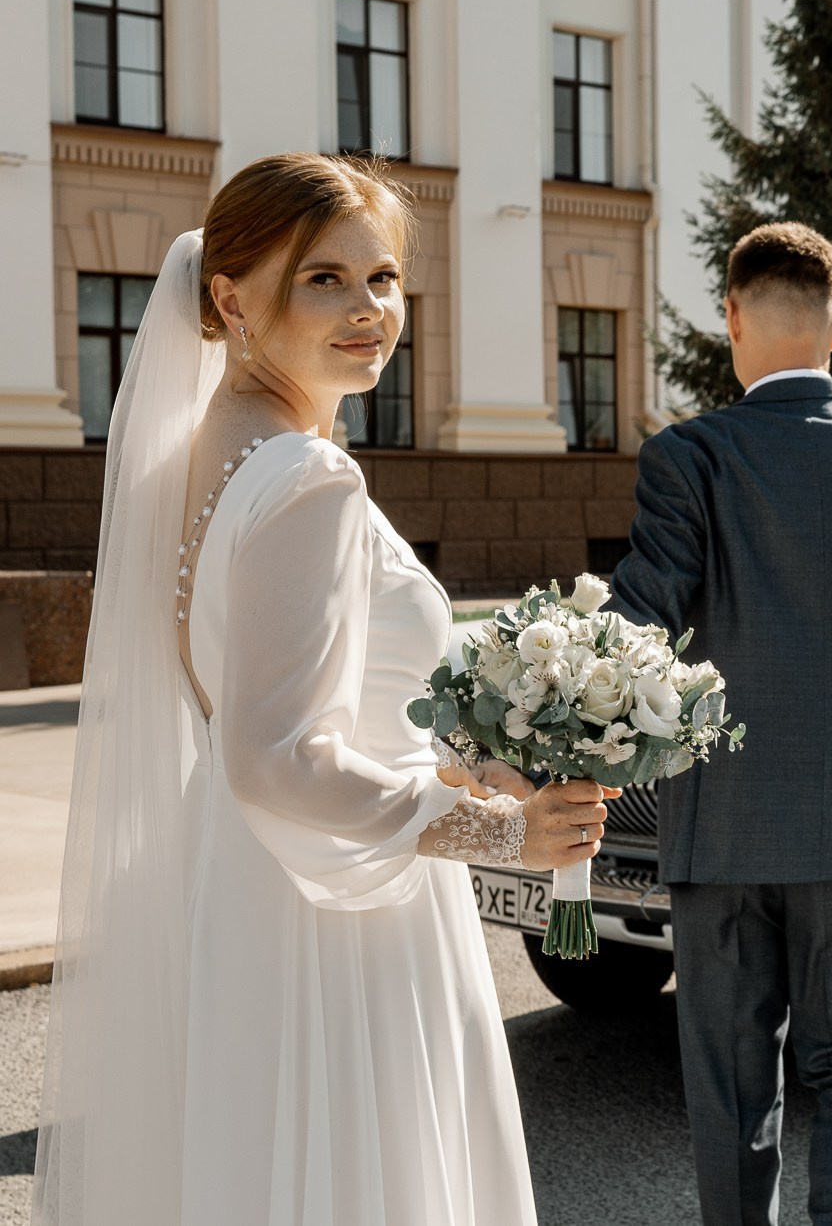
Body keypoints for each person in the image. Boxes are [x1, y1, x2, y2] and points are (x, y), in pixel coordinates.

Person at [32, 153, 617, 1225]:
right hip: (336, 919)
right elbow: (279, 754)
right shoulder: (308, 479)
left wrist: (481, 754)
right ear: (229, 298)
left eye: (383, 278)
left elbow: (279, 701)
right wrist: (501, 835)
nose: (368, 311)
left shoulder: (206, 452)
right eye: (324, 280)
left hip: (240, 886)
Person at [611, 222, 832, 1226]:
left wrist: (549, 689)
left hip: (722, 823)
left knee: (730, 1080)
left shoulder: (688, 456)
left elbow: (639, 614)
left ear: (729, 317)